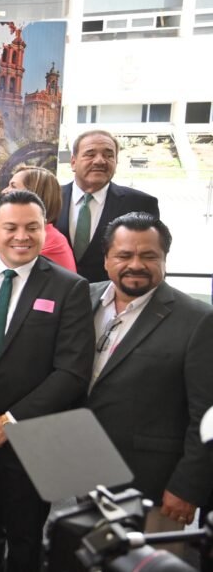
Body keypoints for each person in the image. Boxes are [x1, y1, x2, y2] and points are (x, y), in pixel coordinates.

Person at [0, 190, 94, 572]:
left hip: (31, 436)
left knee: (26, 539)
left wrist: (8, 423)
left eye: (32, 227)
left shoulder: (69, 287)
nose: (21, 236)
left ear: (46, 229)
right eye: (11, 227)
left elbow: (72, 372)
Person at [85, 213, 213, 533]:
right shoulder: (81, 299)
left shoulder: (198, 320)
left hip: (154, 486)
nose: (136, 264)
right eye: (124, 255)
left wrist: (187, 486)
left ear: (165, 259)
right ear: (106, 259)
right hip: (84, 472)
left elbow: (207, 415)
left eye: (149, 256)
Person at [56, 130, 159, 283]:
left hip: (112, 294)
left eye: (109, 155)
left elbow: (152, 259)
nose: (100, 161)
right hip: (55, 293)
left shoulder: (140, 203)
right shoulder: (49, 198)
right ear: (73, 162)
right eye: (90, 154)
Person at [0, 165, 76, 272]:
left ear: (34, 194)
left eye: (13, 186)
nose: (4, 191)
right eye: (10, 228)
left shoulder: (52, 244)